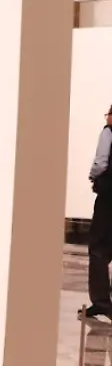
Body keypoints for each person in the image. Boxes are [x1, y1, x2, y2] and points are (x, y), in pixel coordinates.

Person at [87, 105, 112, 322]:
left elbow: (100, 163)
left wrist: (93, 177)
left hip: (109, 197)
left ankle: (102, 302)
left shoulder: (108, 132)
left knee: (98, 249)